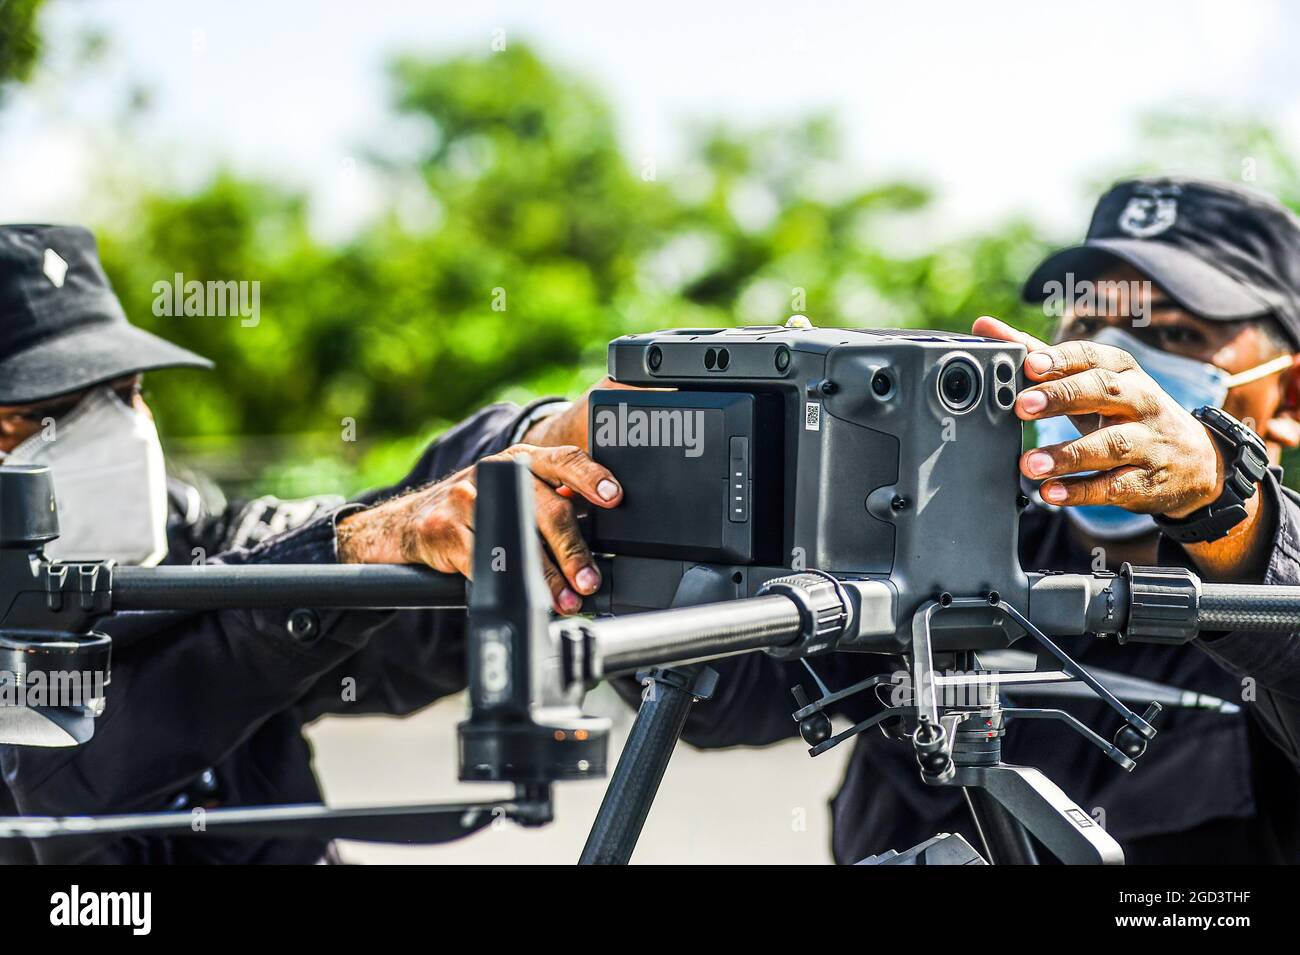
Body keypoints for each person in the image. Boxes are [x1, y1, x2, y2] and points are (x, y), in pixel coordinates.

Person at [529, 177, 1300, 863]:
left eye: (1172, 335)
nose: (1111, 359)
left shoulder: (1278, 585)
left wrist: (1223, 500)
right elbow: (728, 693)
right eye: (1084, 324)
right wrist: (643, 508)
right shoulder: (933, 528)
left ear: (1290, 396)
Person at [0, 224, 622, 863]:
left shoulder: (200, 540)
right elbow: (59, 768)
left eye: (126, 393)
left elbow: (393, 582)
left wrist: (545, 442)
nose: (115, 433)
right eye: (36, 411)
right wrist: (359, 547)